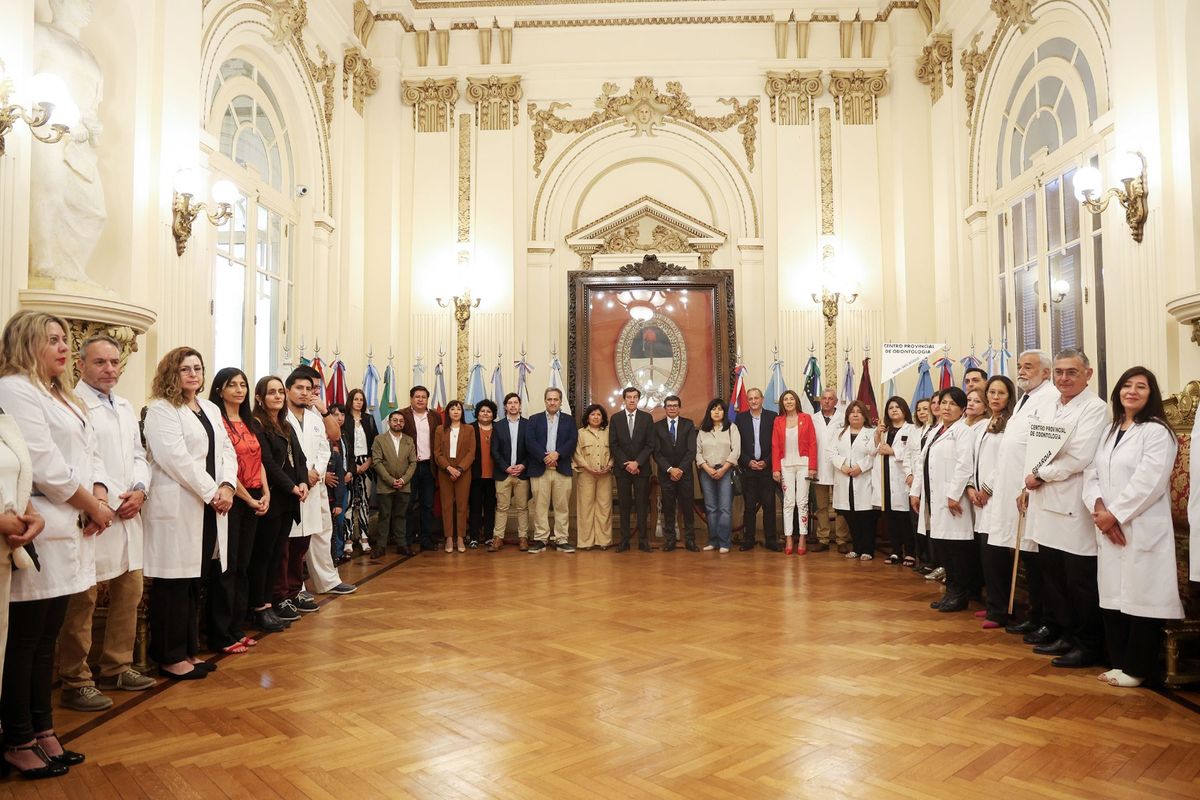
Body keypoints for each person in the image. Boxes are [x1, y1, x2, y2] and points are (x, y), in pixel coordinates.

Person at [0, 310, 107, 778]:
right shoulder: (15, 389)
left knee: (47, 639)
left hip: (73, 522)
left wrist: (98, 494)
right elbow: (42, 462)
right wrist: (92, 504)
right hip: (41, 521)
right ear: (26, 344)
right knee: (26, 639)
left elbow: (88, 454)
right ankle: (17, 736)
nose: (64, 347)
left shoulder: (57, 394)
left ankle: (43, 729)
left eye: (66, 339)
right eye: (53, 340)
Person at [57, 336, 154, 714]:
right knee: (83, 601)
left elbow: (137, 453)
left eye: (115, 362)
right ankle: (76, 680)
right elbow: (87, 460)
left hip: (128, 510)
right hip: (93, 514)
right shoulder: (73, 404)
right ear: (80, 365)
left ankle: (117, 665)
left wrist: (141, 489)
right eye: (100, 362)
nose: (109, 369)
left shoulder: (126, 406)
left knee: (129, 592)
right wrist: (113, 499)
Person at [1083, 367, 1184, 687]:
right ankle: (1120, 662)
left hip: (1141, 525)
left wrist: (1116, 514)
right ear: (1118, 392)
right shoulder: (1110, 430)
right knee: (1113, 595)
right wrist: (1099, 507)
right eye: (1127, 385)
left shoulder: (1157, 432)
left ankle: (1139, 669)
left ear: (1150, 394)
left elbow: (1150, 481)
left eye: (1141, 387)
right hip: (1109, 524)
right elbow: (1091, 473)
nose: (1132, 391)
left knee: (1142, 597)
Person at [141, 346, 236, 679]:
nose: (193, 374)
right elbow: (174, 458)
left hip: (209, 505)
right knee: (173, 582)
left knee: (196, 579)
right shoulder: (160, 410)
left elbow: (227, 450)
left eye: (197, 368)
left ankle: (188, 650)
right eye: (185, 369)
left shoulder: (209, 407)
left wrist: (228, 486)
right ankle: (168, 655)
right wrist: (213, 492)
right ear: (172, 373)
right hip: (180, 503)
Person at [1022, 349, 1110, 668]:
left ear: (1087, 374)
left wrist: (1040, 474)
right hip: (1045, 501)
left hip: (1074, 505)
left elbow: (1079, 456)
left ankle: (1088, 644)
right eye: (1058, 372)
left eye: (1071, 372)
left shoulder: (1095, 409)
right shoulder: (1049, 405)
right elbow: (1038, 449)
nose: (1063, 378)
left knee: (1079, 580)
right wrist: (1030, 479)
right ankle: (1063, 632)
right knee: (1054, 575)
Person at [995, 350, 1058, 640]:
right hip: (1016, 489)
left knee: (1037, 559)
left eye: (1028, 367)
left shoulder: (1050, 399)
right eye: (1019, 366)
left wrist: (1027, 486)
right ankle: (1035, 615)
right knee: (1028, 556)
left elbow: (1043, 446)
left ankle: (1045, 619)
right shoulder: (1025, 398)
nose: (1021, 371)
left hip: (1033, 489)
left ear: (1046, 372)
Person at [206, 367, 268, 655]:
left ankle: (236, 626)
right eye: (233, 385)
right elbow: (224, 466)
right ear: (220, 390)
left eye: (243, 384)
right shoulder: (216, 422)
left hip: (255, 496)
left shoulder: (249, 421)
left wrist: (265, 493)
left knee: (243, 566)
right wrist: (248, 498)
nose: (240, 390)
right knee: (226, 569)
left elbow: (259, 460)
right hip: (233, 498)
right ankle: (220, 633)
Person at [248, 376, 306, 633]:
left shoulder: (285, 424)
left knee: (276, 554)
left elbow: (300, 458)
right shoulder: (257, 424)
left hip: (288, 499)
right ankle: (258, 608)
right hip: (271, 496)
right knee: (263, 555)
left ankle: (269, 603)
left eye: (280, 392)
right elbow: (268, 464)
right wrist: (291, 486)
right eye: (271, 392)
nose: (278, 396)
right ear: (260, 397)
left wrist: (303, 482)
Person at [912, 388, 975, 610]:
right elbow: (922, 463)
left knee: (956, 551)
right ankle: (950, 593)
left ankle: (959, 595)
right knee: (943, 549)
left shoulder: (963, 432)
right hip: (934, 498)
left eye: (952, 404)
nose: (946, 408)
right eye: (943, 403)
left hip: (952, 501)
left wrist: (953, 495)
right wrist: (915, 492)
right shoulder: (936, 430)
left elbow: (964, 465)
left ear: (962, 409)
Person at [973, 376, 1016, 628]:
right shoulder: (986, 422)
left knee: (996, 555)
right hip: (982, 499)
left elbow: (1004, 461)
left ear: (1009, 397)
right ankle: (993, 603)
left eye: (1001, 393)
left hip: (997, 495)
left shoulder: (1011, 424)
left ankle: (1001, 611)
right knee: (986, 554)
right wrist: (973, 486)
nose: (995, 397)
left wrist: (987, 488)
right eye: (992, 392)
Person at [526, 388, 577, 553]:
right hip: (540, 469)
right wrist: (544, 456)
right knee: (540, 506)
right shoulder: (534, 419)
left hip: (561, 469)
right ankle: (541, 539)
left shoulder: (569, 420)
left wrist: (558, 454)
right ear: (545, 401)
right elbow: (530, 441)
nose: (552, 402)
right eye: (549, 399)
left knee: (562, 506)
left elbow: (572, 440)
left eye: (556, 399)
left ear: (561, 401)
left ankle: (561, 539)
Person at [772, 389, 817, 555]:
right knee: (788, 502)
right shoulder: (778, 421)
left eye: (791, 399)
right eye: (785, 399)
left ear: (796, 401)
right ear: (782, 403)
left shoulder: (806, 418)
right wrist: (776, 468)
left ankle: (803, 537)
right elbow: (775, 445)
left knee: (802, 502)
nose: (789, 402)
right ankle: (789, 537)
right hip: (785, 465)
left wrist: (813, 466)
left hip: (804, 464)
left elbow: (813, 443)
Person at [609, 386, 653, 552]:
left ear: (638, 399)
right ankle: (624, 541)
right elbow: (613, 444)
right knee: (624, 505)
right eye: (629, 397)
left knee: (642, 506)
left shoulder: (647, 418)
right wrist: (626, 463)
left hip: (642, 470)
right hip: (622, 470)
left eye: (635, 397)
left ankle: (643, 541)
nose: (632, 400)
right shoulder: (616, 418)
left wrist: (637, 463)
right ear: (624, 399)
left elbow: (650, 445)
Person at [872, 396, 915, 566]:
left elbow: (913, 453)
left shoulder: (911, 429)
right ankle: (895, 550)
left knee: (904, 518)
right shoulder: (884, 430)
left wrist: (894, 451)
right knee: (890, 518)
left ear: (904, 410)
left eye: (898, 407)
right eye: (891, 408)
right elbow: (873, 450)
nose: (894, 410)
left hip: (902, 479)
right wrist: (877, 434)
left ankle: (910, 552)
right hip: (886, 479)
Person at [831, 401, 877, 560]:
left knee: (865, 518)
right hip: (844, 479)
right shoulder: (839, 433)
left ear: (865, 416)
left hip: (863, 479)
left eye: (859, 412)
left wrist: (860, 467)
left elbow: (874, 454)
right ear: (847, 416)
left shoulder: (872, 433)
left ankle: (868, 550)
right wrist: (842, 466)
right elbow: (831, 453)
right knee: (850, 517)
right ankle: (856, 548)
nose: (855, 414)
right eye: (852, 412)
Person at [652, 395, 697, 552]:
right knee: (668, 508)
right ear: (665, 408)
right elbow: (656, 453)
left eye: (675, 405)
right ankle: (670, 540)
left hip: (685, 474)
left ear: (679, 407)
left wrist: (680, 469)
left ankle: (690, 540)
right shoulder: (657, 427)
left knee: (687, 508)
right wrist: (670, 469)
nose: (672, 408)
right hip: (666, 475)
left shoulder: (689, 425)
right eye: (669, 406)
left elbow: (692, 450)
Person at [735, 388, 779, 551]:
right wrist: (748, 462)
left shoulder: (772, 417)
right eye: (750, 399)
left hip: (767, 469)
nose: (753, 401)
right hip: (749, 470)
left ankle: (771, 540)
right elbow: (737, 445)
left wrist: (766, 462)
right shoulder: (740, 419)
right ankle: (749, 539)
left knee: (769, 506)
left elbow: (777, 443)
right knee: (749, 507)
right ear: (748, 401)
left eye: (756, 398)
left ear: (762, 399)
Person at [401, 386, 442, 551]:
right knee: (408, 504)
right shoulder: (402, 415)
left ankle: (426, 539)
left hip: (428, 466)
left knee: (427, 504)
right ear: (411, 398)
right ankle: (407, 540)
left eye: (423, 397)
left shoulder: (435, 417)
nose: (420, 400)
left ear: (427, 399)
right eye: (417, 397)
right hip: (409, 467)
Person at [696, 398, 740, 553]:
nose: (716, 412)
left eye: (720, 409)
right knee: (711, 507)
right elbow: (697, 452)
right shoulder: (703, 430)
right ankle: (713, 540)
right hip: (706, 472)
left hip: (726, 471)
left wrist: (724, 468)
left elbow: (736, 451)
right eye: (713, 409)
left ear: (724, 412)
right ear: (709, 412)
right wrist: (707, 468)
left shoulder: (731, 428)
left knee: (724, 508)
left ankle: (724, 542)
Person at [372, 411, 416, 556]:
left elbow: (413, 463)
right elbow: (377, 462)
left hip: (405, 485)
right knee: (384, 515)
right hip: (385, 486)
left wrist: (403, 480)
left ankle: (401, 544)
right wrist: (391, 480)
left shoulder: (409, 440)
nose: (398, 423)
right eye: (395, 420)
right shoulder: (380, 439)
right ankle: (380, 546)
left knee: (401, 515)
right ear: (389, 422)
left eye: (401, 421)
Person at [908, 393, 943, 577]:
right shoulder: (929, 429)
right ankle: (927, 559)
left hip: (938, 484)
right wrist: (910, 475)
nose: (937, 406)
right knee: (923, 524)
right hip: (920, 482)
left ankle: (936, 561)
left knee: (935, 525)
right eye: (935, 403)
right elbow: (918, 459)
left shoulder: (944, 428)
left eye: (941, 403)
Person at [434, 400, 475, 553]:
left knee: (462, 506)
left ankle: (460, 537)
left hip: (463, 472)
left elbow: (471, 453)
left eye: (458, 409)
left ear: (462, 412)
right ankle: (449, 538)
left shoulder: (469, 429)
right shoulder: (440, 430)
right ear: (448, 412)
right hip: (445, 472)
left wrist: (459, 469)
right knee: (447, 506)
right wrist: (449, 468)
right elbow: (437, 453)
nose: (456, 411)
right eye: (452, 409)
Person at [491, 393, 530, 551]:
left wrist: (523, 465)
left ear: (520, 406)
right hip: (503, 473)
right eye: (510, 403)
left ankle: (523, 538)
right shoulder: (498, 426)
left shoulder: (528, 425)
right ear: (505, 406)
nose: (513, 405)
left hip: (522, 473)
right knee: (501, 507)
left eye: (516, 403)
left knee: (522, 508)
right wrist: (506, 467)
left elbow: (531, 449)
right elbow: (494, 451)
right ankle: (498, 538)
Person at [810, 389, 849, 552]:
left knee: (841, 506)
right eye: (824, 399)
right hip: (818, 467)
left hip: (839, 467)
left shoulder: (843, 419)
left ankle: (841, 539)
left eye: (830, 399)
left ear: (836, 401)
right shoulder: (812, 419)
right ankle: (823, 538)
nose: (826, 401)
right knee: (821, 506)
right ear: (820, 401)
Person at [342, 388, 378, 556]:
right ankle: (348, 539)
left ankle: (364, 537)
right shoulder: (344, 419)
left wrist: (369, 462)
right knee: (349, 502)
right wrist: (352, 466)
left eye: (361, 399)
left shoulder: (369, 419)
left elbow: (376, 443)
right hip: (349, 464)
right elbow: (341, 443)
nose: (358, 402)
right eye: (355, 399)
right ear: (350, 400)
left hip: (367, 464)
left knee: (364, 502)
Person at [574, 404, 614, 550]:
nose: (596, 417)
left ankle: (603, 541)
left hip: (605, 475)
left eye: (598, 414)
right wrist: (587, 467)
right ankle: (586, 542)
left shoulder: (609, 433)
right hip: (586, 474)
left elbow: (615, 452)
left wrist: (609, 465)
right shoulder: (580, 433)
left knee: (604, 507)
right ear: (588, 417)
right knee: (585, 507)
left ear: (602, 417)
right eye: (593, 414)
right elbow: (577, 453)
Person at [467, 400, 498, 549]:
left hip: (494, 475)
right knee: (475, 507)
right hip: (475, 475)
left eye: (489, 411)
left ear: (493, 414)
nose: (485, 414)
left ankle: (488, 536)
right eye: (482, 411)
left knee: (490, 507)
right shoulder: (470, 429)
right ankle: (473, 536)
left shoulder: (499, 428)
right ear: (477, 413)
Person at [324, 404, 351, 564]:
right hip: (326, 486)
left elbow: (350, 456)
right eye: (335, 414)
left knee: (339, 520)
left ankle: (338, 552)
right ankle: (328, 556)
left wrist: (350, 472)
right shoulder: (323, 438)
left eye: (342, 415)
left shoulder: (345, 436)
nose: (339, 418)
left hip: (342, 484)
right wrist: (323, 475)